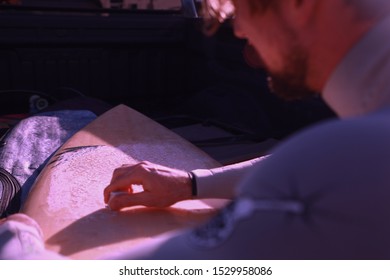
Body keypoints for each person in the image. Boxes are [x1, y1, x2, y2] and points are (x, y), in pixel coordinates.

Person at [3, 0, 390, 259]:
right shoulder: (355, 149)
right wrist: (190, 184)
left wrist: (16, 241)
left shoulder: (354, 153)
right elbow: (324, 169)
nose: (238, 32)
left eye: (239, 7)